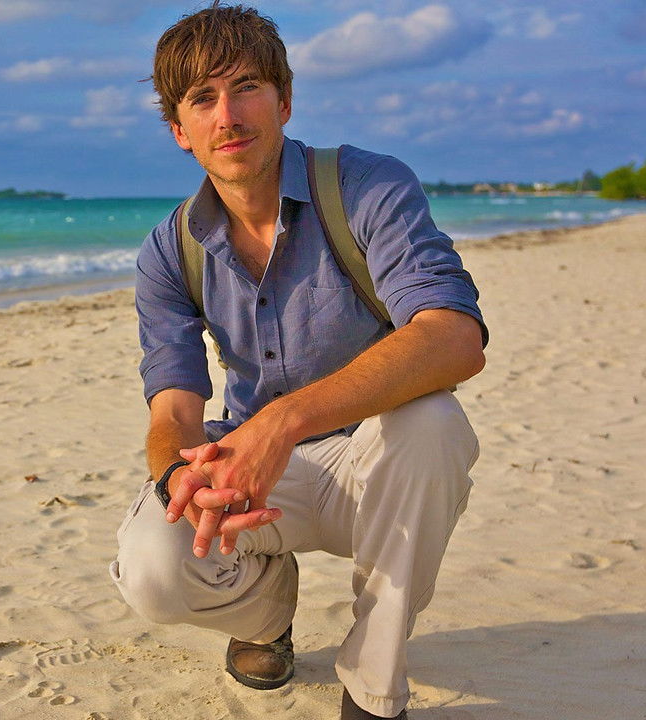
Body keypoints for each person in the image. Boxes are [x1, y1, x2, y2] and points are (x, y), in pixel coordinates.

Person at [107, 4, 488, 719]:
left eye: (247, 86)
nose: (229, 114)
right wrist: (180, 475)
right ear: (179, 132)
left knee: (432, 422)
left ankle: (372, 689)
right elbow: (174, 409)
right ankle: (265, 622)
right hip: (256, 478)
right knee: (153, 567)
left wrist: (281, 422)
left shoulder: (367, 188)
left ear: (284, 100)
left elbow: (454, 336)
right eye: (202, 99)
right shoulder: (169, 250)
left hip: (375, 467)